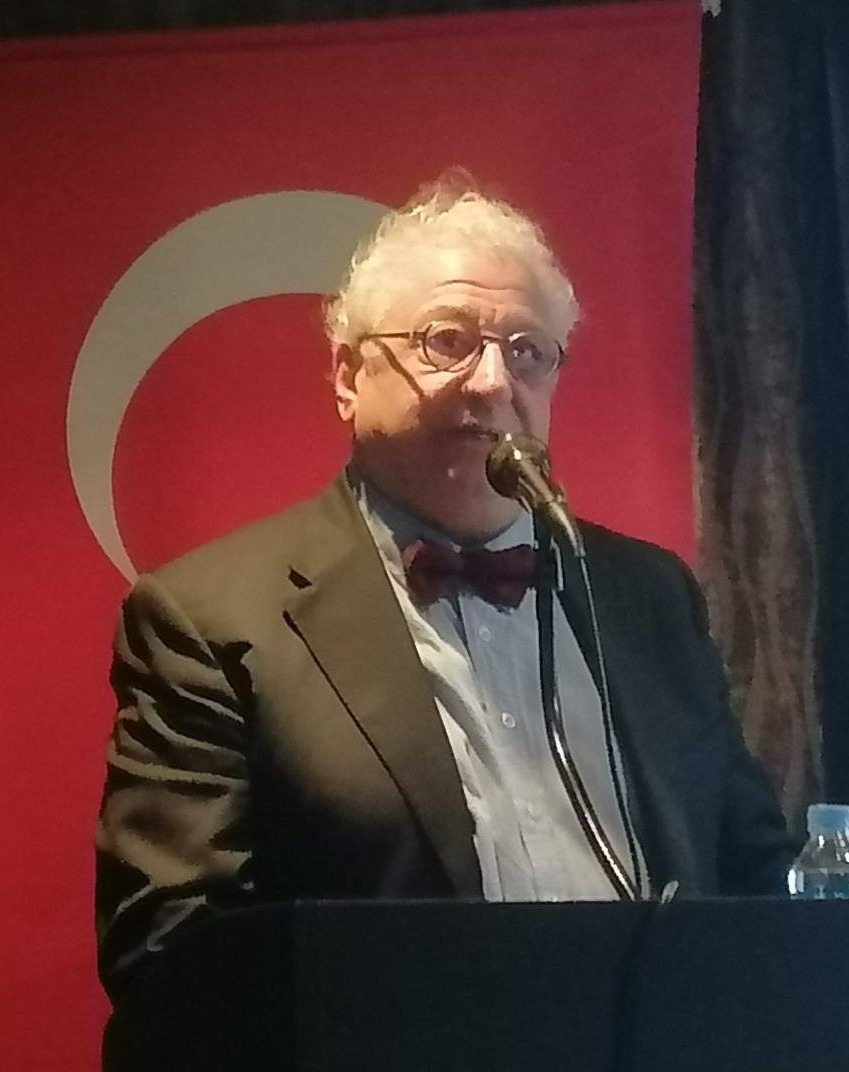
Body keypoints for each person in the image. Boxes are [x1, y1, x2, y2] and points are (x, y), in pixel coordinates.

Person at [96, 175, 793, 1001]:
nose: (492, 383)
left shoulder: (648, 593)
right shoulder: (208, 618)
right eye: (447, 341)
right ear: (348, 375)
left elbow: (753, 875)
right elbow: (174, 952)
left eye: (526, 351)